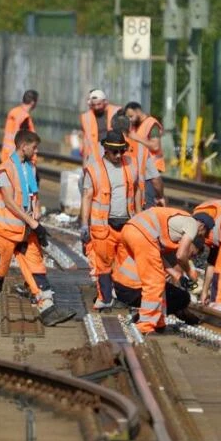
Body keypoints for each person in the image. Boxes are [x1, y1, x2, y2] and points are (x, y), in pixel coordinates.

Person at [0, 129, 75, 327]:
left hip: (25, 231)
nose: (36, 151)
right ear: (23, 146)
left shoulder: (30, 169)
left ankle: (48, 309)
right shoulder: (5, 170)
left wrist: (36, 217)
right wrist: (33, 223)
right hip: (6, 230)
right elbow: (9, 202)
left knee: (37, 268)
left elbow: (32, 196)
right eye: (34, 147)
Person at [80, 130, 143, 310]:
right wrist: (85, 224)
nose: (118, 155)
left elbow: (137, 190)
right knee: (104, 264)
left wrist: (139, 216)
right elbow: (86, 196)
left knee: (125, 264)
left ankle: (122, 296)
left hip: (127, 225)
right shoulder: (94, 169)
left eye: (122, 151)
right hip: (104, 226)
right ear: (106, 149)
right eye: (115, 152)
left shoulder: (130, 165)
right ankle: (105, 297)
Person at [121, 207, 205, 334]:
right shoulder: (190, 225)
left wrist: (178, 276)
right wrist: (189, 272)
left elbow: (160, 259)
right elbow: (181, 256)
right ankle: (145, 326)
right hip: (140, 235)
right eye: (193, 253)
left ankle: (158, 322)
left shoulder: (166, 233)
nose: (191, 257)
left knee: (159, 281)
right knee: (155, 283)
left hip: (130, 230)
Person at [112, 242, 194, 321]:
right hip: (133, 291)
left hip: (119, 287)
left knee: (169, 291)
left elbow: (159, 258)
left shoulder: (146, 242)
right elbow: (157, 283)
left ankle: (146, 316)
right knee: (182, 297)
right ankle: (147, 321)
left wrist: (177, 276)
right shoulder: (153, 246)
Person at [111, 111, 166, 208]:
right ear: (129, 128)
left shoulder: (102, 146)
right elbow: (155, 179)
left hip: (110, 201)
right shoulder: (141, 149)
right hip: (136, 204)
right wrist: (160, 196)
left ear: (112, 127)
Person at [124, 101, 165, 204]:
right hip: (141, 168)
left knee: (147, 200)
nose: (130, 119)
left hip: (152, 169)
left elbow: (155, 146)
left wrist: (136, 138)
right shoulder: (135, 125)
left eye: (131, 116)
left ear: (138, 111)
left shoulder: (152, 124)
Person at [80, 89, 120, 163]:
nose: (96, 107)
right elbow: (85, 139)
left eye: (99, 104)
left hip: (113, 152)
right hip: (94, 154)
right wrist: (85, 160)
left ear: (105, 102)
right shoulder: (86, 117)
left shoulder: (116, 112)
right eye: (94, 105)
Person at [1, 90, 38, 163]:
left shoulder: (14, 111)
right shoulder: (25, 117)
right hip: (16, 159)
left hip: (6, 154)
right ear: (33, 102)